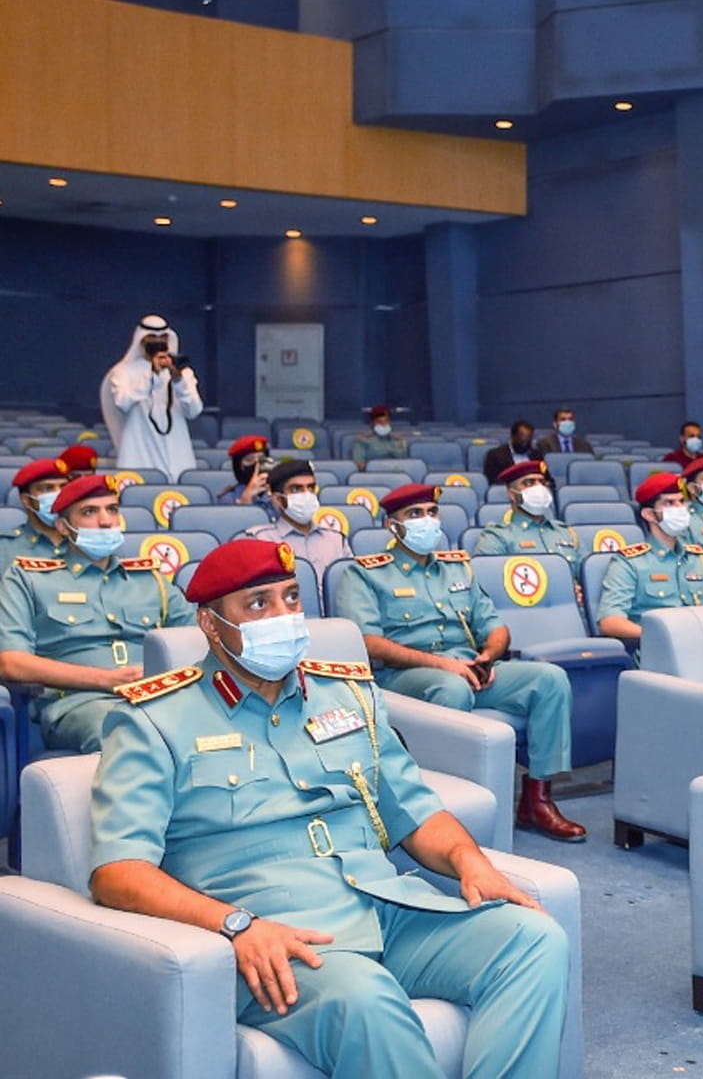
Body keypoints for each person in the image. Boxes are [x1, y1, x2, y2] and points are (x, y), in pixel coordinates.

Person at [89, 537, 569, 1078]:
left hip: (385, 907)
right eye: (258, 604)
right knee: (366, 1002)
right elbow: (117, 872)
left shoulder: (349, 695)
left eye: (292, 599)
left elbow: (413, 812)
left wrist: (469, 859)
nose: (283, 616)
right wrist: (235, 924)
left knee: (533, 940)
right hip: (276, 935)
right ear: (210, 624)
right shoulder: (153, 720)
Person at [330, 484, 585, 841]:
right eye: (414, 514)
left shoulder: (458, 568)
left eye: (431, 512)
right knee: (451, 687)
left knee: (549, 679)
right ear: (392, 525)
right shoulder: (366, 574)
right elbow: (368, 644)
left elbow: (495, 628)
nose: (427, 521)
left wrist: (488, 656)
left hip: (469, 670)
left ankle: (537, 800)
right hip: (405, 678)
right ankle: (451, 807)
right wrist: (443, 665)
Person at [0, 474, 192, 751]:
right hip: (80, 702)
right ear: (63, 527)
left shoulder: (149, 578)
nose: (105, 521)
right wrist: (106, 679)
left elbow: (196, 642)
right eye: (89, 512)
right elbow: (12, 662)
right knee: (128, 731)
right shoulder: (28, 577)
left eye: (112, 510)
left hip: (159, 697)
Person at [595, 472, 703, 649]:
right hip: (658, 650)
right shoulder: (630, 562)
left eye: (681, 501)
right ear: (649, 514)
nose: (679, 508)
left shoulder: (695, 557)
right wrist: (660, 635)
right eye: (669, 503)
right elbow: (610, 621)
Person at [102, 313, 202, 480]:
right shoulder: (123, 372)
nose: (158, 343)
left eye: (163, 338)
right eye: (152, 339)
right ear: (140, 340)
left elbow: (194, 410)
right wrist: (152, 377)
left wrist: (178, 380)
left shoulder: (182, 372)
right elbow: (123, 403)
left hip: (177, 453)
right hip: (138, 451)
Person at [239, 460, 352, 583]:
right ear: (278, 499)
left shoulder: (337, 540)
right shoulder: (259, 540)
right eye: (296, 489)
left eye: (311, 487)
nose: (306, 495)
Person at [473, 460, 581, 567]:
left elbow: (588, 575)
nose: (539, 488)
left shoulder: (566, 533)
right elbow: (487, 579)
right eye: (529, 483)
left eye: (542, 483)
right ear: (512, 494)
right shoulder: (497, 537)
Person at [0, 457, 73, 565]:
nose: (59, 495)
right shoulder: (4, 547)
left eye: (64, 487)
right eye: (47, 489)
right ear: (27, 500)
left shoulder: (87, 542)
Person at [217, 435, 276, 511]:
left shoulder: (280, 492)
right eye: (249, 460)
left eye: (262, 459)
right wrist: (245, 500)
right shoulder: (229, 498)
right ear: (239, 467)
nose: (257, 464)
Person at [481, 421, 542, 486]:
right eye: (522, 436)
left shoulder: (537, 455)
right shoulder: (495, 455)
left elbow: (545, 476)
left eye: (529, 437)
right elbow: (491, 480)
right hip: (508, 490)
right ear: (513, 436)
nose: (525, 440)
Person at [350, 406, 409, 470]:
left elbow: (404, 463)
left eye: (386, 421)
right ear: (372, 424)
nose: (383, 425)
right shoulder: (362, 441)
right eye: (379, 422)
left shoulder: (397, 440)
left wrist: (401, 443)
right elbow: (360, 466)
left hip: (396, 475)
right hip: (372, 476)